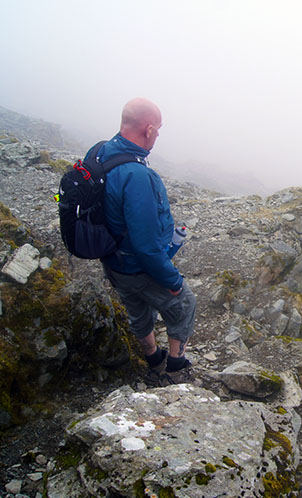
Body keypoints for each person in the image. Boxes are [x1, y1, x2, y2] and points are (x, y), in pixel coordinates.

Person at [97, 97, 196, 386]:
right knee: (185, 302)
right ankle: (175, 368)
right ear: (149, 129)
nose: (158, 135)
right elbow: (146, 246)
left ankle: (152, 359)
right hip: (136, 265)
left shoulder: (104, 151)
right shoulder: (137, 176)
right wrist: (173, 281)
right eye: (159, 129)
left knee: (137, 308)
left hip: (113, 262)